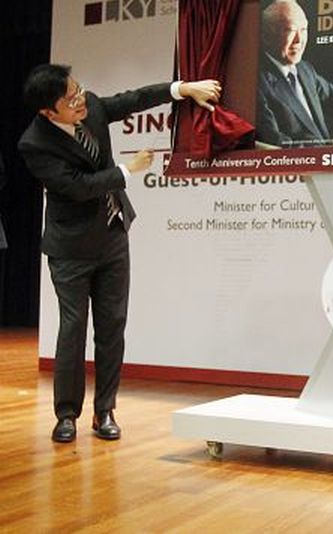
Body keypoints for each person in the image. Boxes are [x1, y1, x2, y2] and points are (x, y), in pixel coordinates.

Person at [18, 64, 221, 443]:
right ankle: (66, 415)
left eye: (79, 90)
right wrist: (129, 171)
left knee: (112, 325)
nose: (81, 101)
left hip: (112, 236)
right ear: (48, 111)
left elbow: (134, 99)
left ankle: (105, 410)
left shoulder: (90, 106)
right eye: (71, 99)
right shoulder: (35, 143)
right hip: (71, 249)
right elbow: (77, 187)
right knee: (73, 330)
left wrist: (182, 88)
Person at [256, 0, 333, 148]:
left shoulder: (305, 69)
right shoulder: (257, 83)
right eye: (291, 30)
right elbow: (277, 144)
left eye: (304, 29)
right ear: (267, 36)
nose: (299, 40)